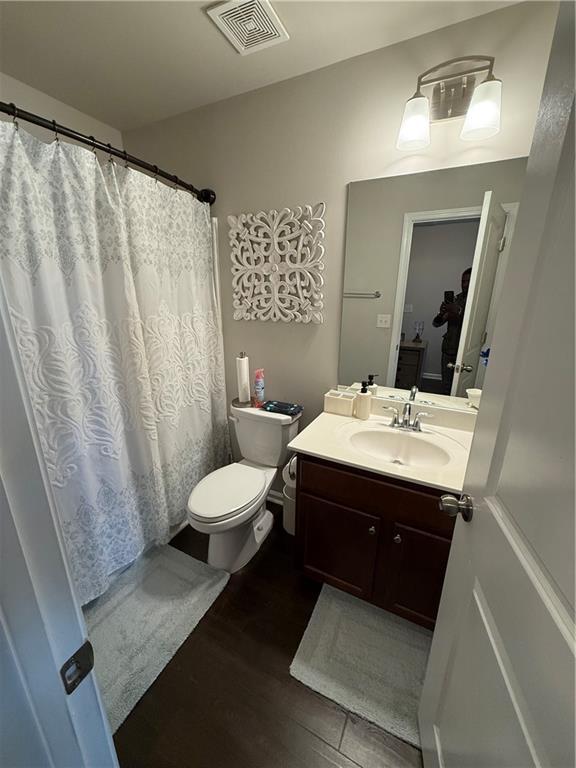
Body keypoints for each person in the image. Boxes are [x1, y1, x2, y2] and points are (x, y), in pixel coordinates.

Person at [433, 267, 472, 394]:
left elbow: (472, 322)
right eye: (463, 281)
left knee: (464, 386)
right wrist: (441, 313)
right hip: (449, 347)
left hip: (467, 349)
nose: (464, 285)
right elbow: (436, 324)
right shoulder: (456, 299)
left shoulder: (476, 301)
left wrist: (459, 311)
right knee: (446, 383)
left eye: (468, 281)